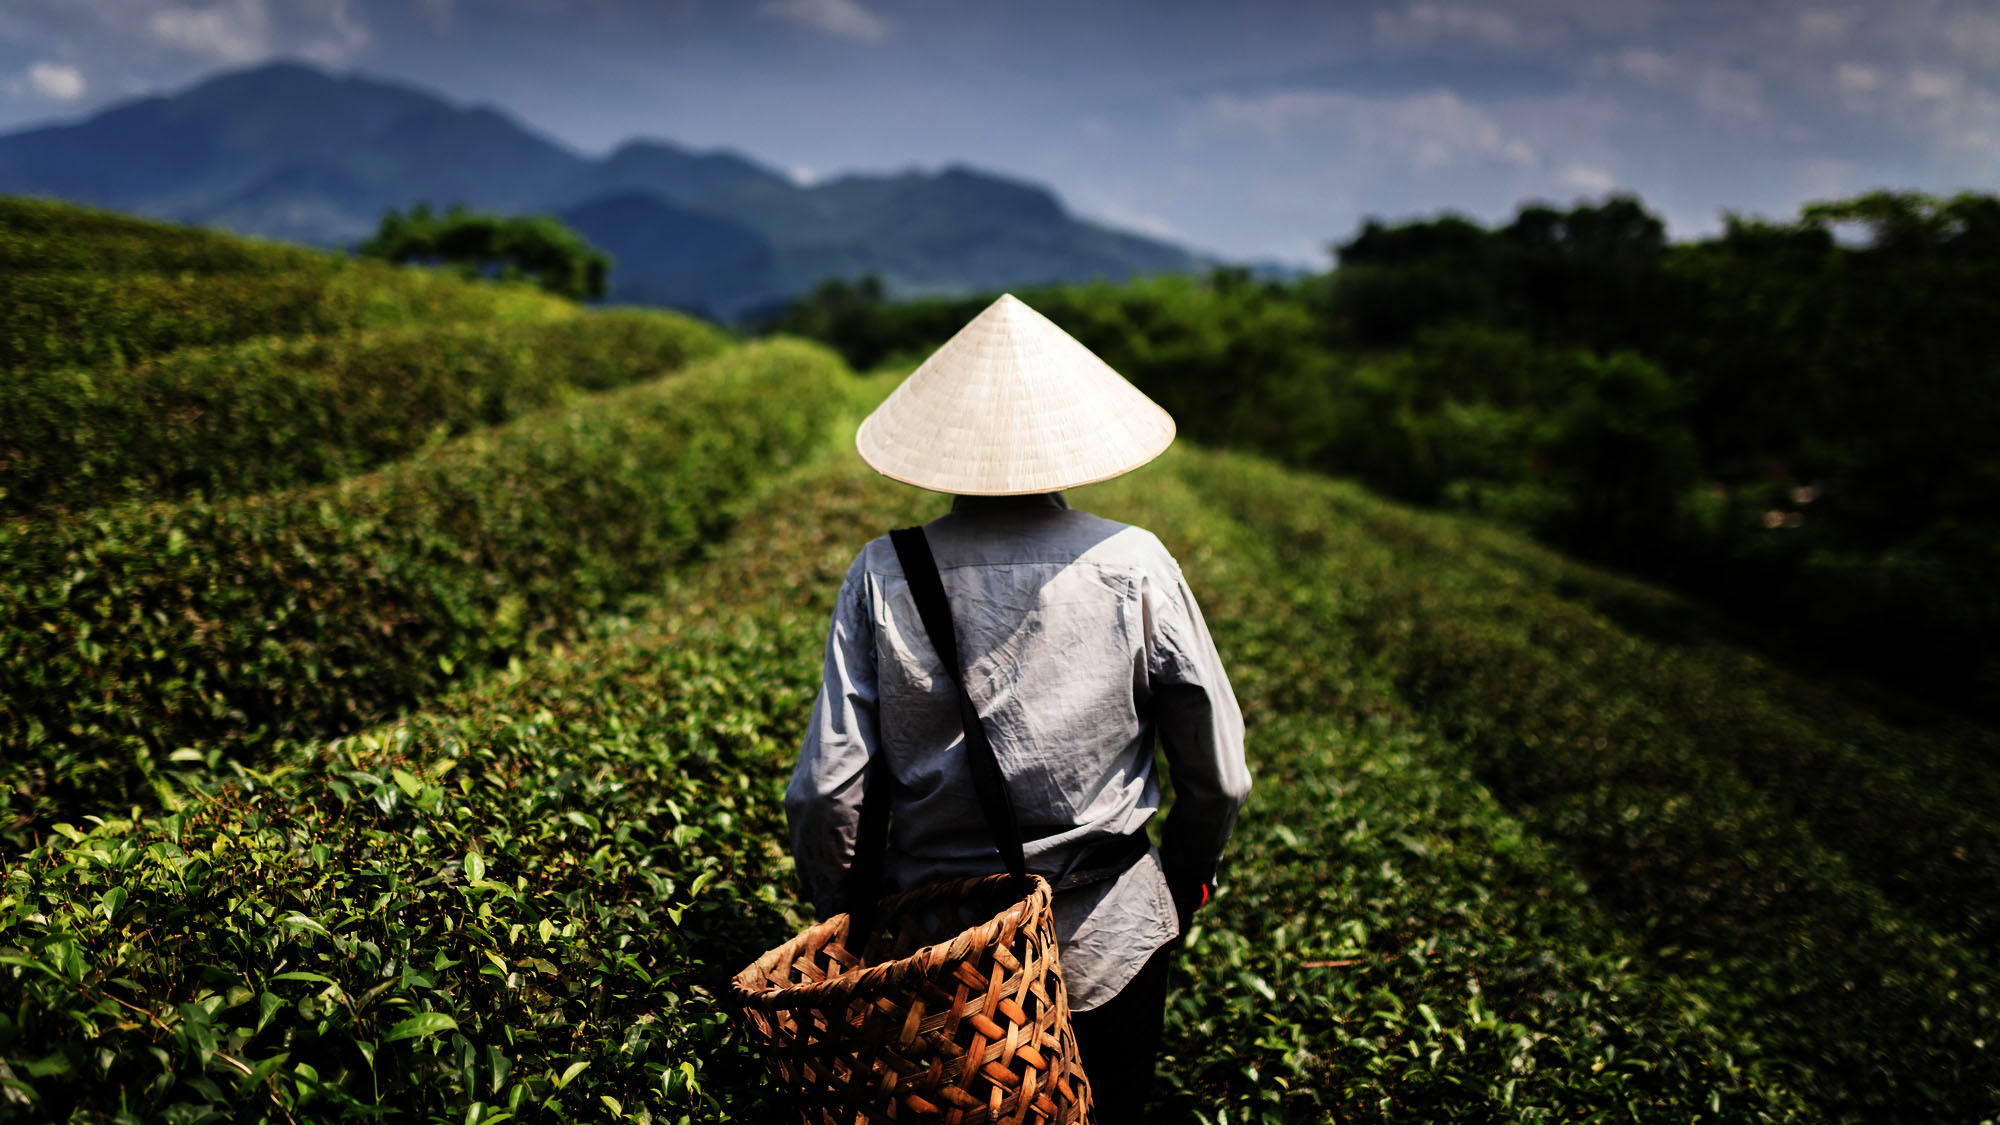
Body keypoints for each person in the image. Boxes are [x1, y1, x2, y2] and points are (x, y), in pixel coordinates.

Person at [785, 293, 1251, 1124]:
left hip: (940, 953)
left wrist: (847, 921)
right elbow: (1216, 775)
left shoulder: (882, 570)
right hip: (1109, 935)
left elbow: (825, 792)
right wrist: (1178, 885)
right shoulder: (1132, 563)